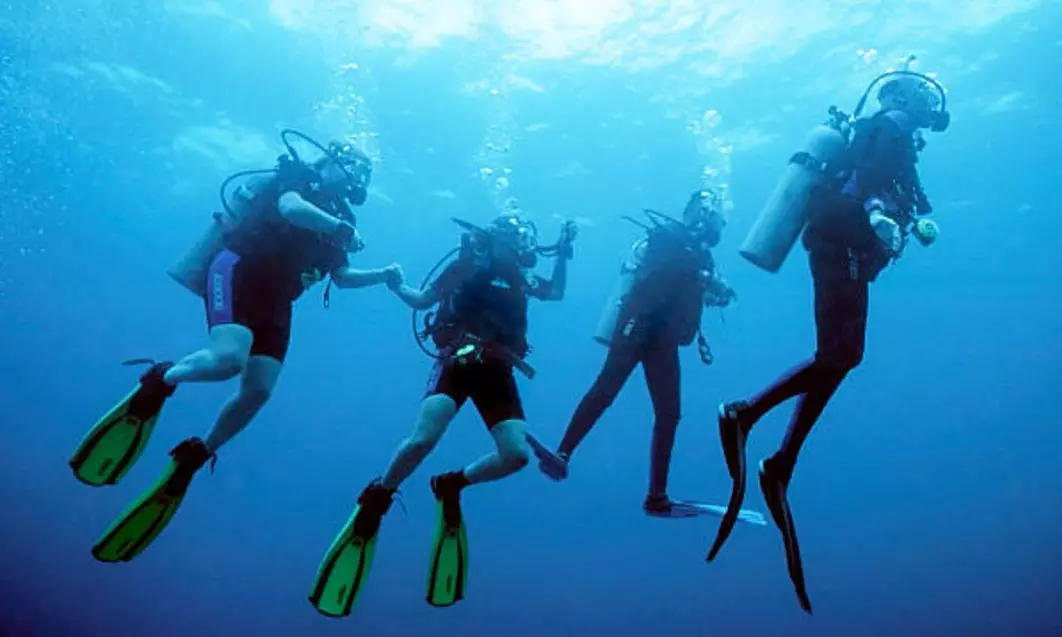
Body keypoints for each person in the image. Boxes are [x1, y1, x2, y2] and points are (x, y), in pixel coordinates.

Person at [69, 134, 402, 563]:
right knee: (228, 360)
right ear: (331, 161)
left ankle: (197, 453)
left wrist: (384, 275)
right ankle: (160, 380)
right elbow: (290, 209)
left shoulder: (344, 216)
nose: (359, 174)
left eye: (364, 171)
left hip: (280, 301)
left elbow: (342, 276)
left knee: (258, 391)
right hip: (240, 269)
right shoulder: (297, 176)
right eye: (354, 164)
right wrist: (339, 228)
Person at [706, 71, 950, 613]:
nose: (931, 105)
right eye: (926, 97)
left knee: (845, 356)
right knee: (838, 355)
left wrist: (909, 215)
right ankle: (742, 416)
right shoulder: (889, 125)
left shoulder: (894, 134)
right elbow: (867, 180)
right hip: (841, 244)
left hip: (849, 250)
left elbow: (901, 188)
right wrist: (880, 213)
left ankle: (779, 463)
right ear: (904, 96)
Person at [308, 211, 577, 618]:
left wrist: (564, 252)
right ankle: (377, 498)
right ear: (498, 237)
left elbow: (555, 292)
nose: (524, 247)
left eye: (527, 239)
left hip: (499, 369)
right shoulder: (468, 265)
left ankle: (451, 485)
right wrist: (392, 282)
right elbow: (421, 300)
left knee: (516, 456)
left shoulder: (521, 278)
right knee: (423, 439)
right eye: (518, 238)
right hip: (457, 360)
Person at [529, 191, 756, 520]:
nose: (717, 226)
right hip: (638, 324)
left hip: (663, 337)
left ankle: (656, 495)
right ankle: (563, 453)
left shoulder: (701, 257)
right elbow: (662, 273)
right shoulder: (667, 236)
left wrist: (715, 293)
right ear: (700, 215)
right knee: (606, 388)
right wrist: (708, 280)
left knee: (670, 412)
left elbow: (691, 292)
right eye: (715, 218)